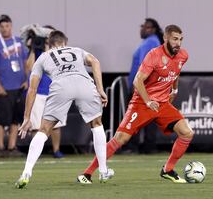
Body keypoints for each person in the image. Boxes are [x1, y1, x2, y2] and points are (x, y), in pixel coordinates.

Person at [78, 24, 194, 184]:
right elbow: (137, 81)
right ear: (166, 38)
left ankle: (167, 170)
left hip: (162, 104)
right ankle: (87, 174)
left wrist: (174, 90)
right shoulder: (154, 55)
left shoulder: (183, 55)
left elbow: (176, 71)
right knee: (120, 138)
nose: (178, 43)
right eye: (175, 39)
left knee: (187, 133)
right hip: (142, 103)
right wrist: (148, 101)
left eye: (181, 39)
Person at [15, 30, 114, 189]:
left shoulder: (43, 57)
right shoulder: (76, 50)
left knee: (44, 129)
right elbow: (95, 61)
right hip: (84, 83)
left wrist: (27, 117)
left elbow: (32, 89)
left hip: (61, 86)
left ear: (50, 43)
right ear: (65, 42)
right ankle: (103, 171)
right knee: (96, 124)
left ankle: (26, 172)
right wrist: (100, 88)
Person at [0, 14, 28, 157]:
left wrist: (27, 79)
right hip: (5, 88)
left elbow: (26, 62)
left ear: (11, 26)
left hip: (20, 86)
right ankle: (0, 148)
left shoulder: (19, 42)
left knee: (16, 119)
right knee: (2, 119)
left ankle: (12, 147)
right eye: (2, 26)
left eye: (7, 26)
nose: (4, 29)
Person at [125, 18, 164, 154]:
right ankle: (148, 146)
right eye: (142, 26)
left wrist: (138, 86)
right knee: (147, 116)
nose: (142, 29)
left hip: (143, 86)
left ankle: (134, 146)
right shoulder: (150, 42)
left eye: (146, 27)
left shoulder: (151, 41)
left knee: (135, 116)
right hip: (145, 86)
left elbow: (145, 65)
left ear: (153, 29)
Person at [25, 25, 64, 158]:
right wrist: (32, 48)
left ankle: (56, 150)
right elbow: (29, 67)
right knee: (36, 126)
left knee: (56, 125)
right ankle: (36, 152)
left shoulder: (57, 50)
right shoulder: (37, 51)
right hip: (39, 92)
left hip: (54, 91)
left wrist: (48, 47)